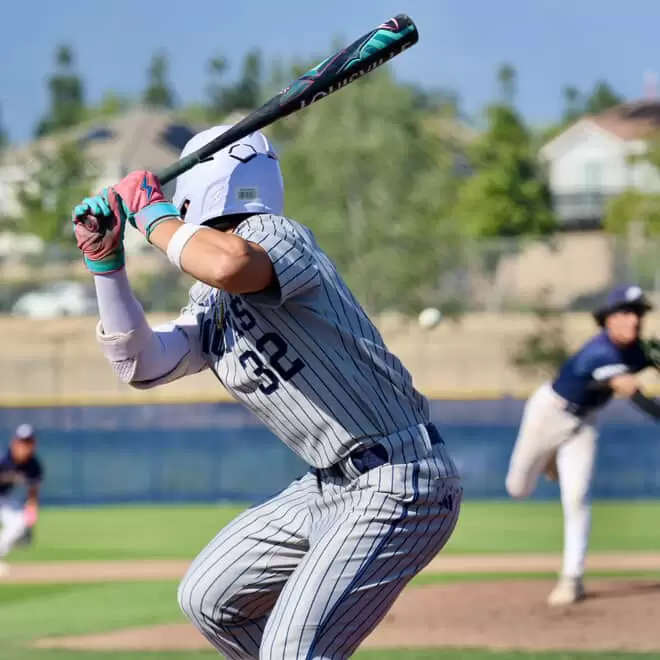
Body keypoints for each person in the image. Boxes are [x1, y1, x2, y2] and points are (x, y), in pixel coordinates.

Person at [71, 126, 462, 659]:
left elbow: (230, 263)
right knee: (210, 598)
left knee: (290, 650)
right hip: (328, 485)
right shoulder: (210, 299)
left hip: (400, 478)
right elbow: (141, 364)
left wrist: (155, 218)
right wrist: (107, 268)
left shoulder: (277, 235)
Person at [505, 284, 660, 606]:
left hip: (584, 423)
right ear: (609, 319)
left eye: (638, 313)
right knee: (518, 489)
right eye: (626, 312)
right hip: (549, 414)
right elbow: (632, 392)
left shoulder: (638, 350)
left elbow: (648, 361)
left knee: (578, 497)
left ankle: (571, 578)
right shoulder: (600, 352)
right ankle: (548, 458)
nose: (634, 319)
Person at [0, 423, 43, 575]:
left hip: (3, 499)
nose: (26, 446)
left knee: (20, 525)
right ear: (14, 443)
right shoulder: (2, 459)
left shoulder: (33, 465)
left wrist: (31, 510)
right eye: (23, 442)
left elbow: (33, 490)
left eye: (29, 442)